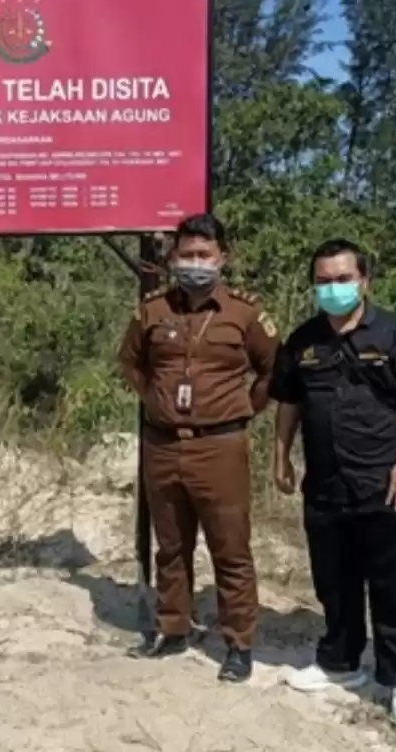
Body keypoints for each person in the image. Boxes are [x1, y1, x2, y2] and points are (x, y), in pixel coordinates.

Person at [270, 239, 396, 727]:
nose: (333, 288)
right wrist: (281, 457)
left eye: (343, 279)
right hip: (325, 481)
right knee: (333, 579)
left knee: (393, 582)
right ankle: (340, 661)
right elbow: (289, 402)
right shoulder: (302, 342)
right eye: (323, 280)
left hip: (387, 481)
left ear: (365, 281)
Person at [117, 213, 279, 683]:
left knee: (230, 549)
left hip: (220, 447)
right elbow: (131, 363)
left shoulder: (245, 313)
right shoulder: (153, 310)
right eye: (186, 254)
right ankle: (173, 628)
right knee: (170, 545)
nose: (195, 263)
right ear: (173, 258)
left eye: (204, 254)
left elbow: (273, 370)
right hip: (163, 445)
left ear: (222, 257)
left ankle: (238, 644)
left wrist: (243, 410)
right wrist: (155, 400)